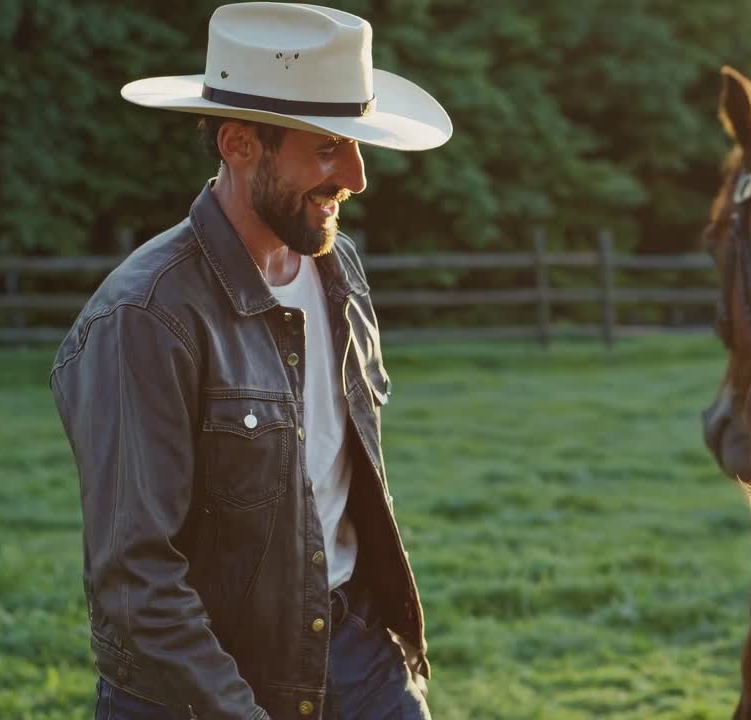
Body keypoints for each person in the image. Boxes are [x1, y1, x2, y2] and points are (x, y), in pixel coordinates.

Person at [49, 3, 451, 718]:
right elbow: (137, 582)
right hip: (197, 688)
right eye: (329, 146)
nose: (357, 177)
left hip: (357, 654)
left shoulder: (340, 269)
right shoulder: (144, 318)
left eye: (357, 144)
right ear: (239, 144)